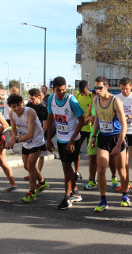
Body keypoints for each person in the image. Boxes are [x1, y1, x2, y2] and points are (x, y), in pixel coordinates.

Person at [90, 76, 129, 212]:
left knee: (121, 170)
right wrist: (94, 136)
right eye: (95, 87)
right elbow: (97, 119)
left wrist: (119, 145)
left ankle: (125, 194)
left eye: (99, 87)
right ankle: (103, 200)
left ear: (106, 87)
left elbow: (124, 124)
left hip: (117, 137)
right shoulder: (95, 100)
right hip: (103, 138)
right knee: (101, 168)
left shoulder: (115, 101)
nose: (97, 90)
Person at [46, 76, 85, 210]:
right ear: (53, 90)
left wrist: (72, 139)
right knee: (66, 168)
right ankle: (76, 192)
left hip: (72, 140)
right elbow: (50, 120)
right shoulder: (51, 99)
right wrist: (48, 140)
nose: (61, 93)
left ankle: (66, 198)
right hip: (60, 139)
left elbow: (82, 120)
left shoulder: (71, 101)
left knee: (67, 168)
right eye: (58, 91)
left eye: (64, 90)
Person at [5, 94, 49, 203]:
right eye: (13, 107)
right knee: (27, 166)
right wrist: (13, 136)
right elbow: (14, 128)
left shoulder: (30, 112)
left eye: (18, 106)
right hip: (25, 142)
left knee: (30, 165)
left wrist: (14, 141)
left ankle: (31, 192)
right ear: (10, 107)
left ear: (22, 103)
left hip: (36, 140)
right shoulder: (12, 114)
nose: (17, 109)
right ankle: (42, 183)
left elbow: (30, 134)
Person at [115, 77, 132, 195]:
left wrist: (128, 117)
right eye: (122, 89)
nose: (124, 91)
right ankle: (125, 183)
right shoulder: (117, 98)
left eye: (126, 89)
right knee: (123, 161)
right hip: (122, 132)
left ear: (131, 86)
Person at [24, 88, 48, 179]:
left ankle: (38, 173)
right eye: (30, 98)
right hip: (29, 134)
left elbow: (45, 125)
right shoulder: (29, 106)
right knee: (29, 156)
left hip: (40, 135)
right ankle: (32, 172)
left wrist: (40, 135)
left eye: (33, 98)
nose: (31, 101)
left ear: (39, 97)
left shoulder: (43, 107)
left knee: (41, 155)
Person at [74, 80, 93, 181]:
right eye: (80, 91)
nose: (82, 93)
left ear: (88, 88)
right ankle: (76, 172)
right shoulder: (77, 95)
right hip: (80, 127)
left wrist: (87, 119)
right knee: (76, 150)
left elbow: (94, 111)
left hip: (90, 128)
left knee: (91, 153)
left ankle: (92, 176)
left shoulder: (92, 96)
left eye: (84, 91)